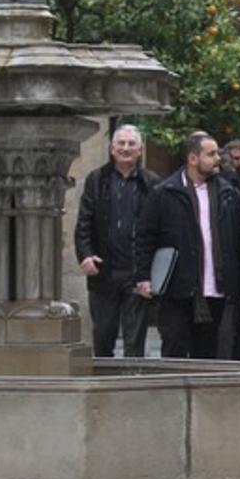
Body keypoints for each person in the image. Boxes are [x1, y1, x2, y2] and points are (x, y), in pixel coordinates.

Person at [136, 132, 240, 359]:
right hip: (178, 288)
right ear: (193, 158)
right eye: (211, 154)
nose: (218, 159)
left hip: (217, 286)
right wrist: (144, 277)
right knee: (174, 347)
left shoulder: (228, 191)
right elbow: (145, 237)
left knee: (209, 351)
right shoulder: (164, 193)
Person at [74, 124, 160, 357]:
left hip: (137, 273)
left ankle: (131, 385)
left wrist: (152, 271)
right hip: (104, 271)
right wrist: (85, 254)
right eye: (120, 144)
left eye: (131, 144)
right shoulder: (96, 179)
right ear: (111, 149)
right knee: (103, 335)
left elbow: (160, 228)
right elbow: (84, 222)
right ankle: (103, 387)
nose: (125, 148)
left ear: (140, 150)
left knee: (135, 341)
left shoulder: (152, 183)